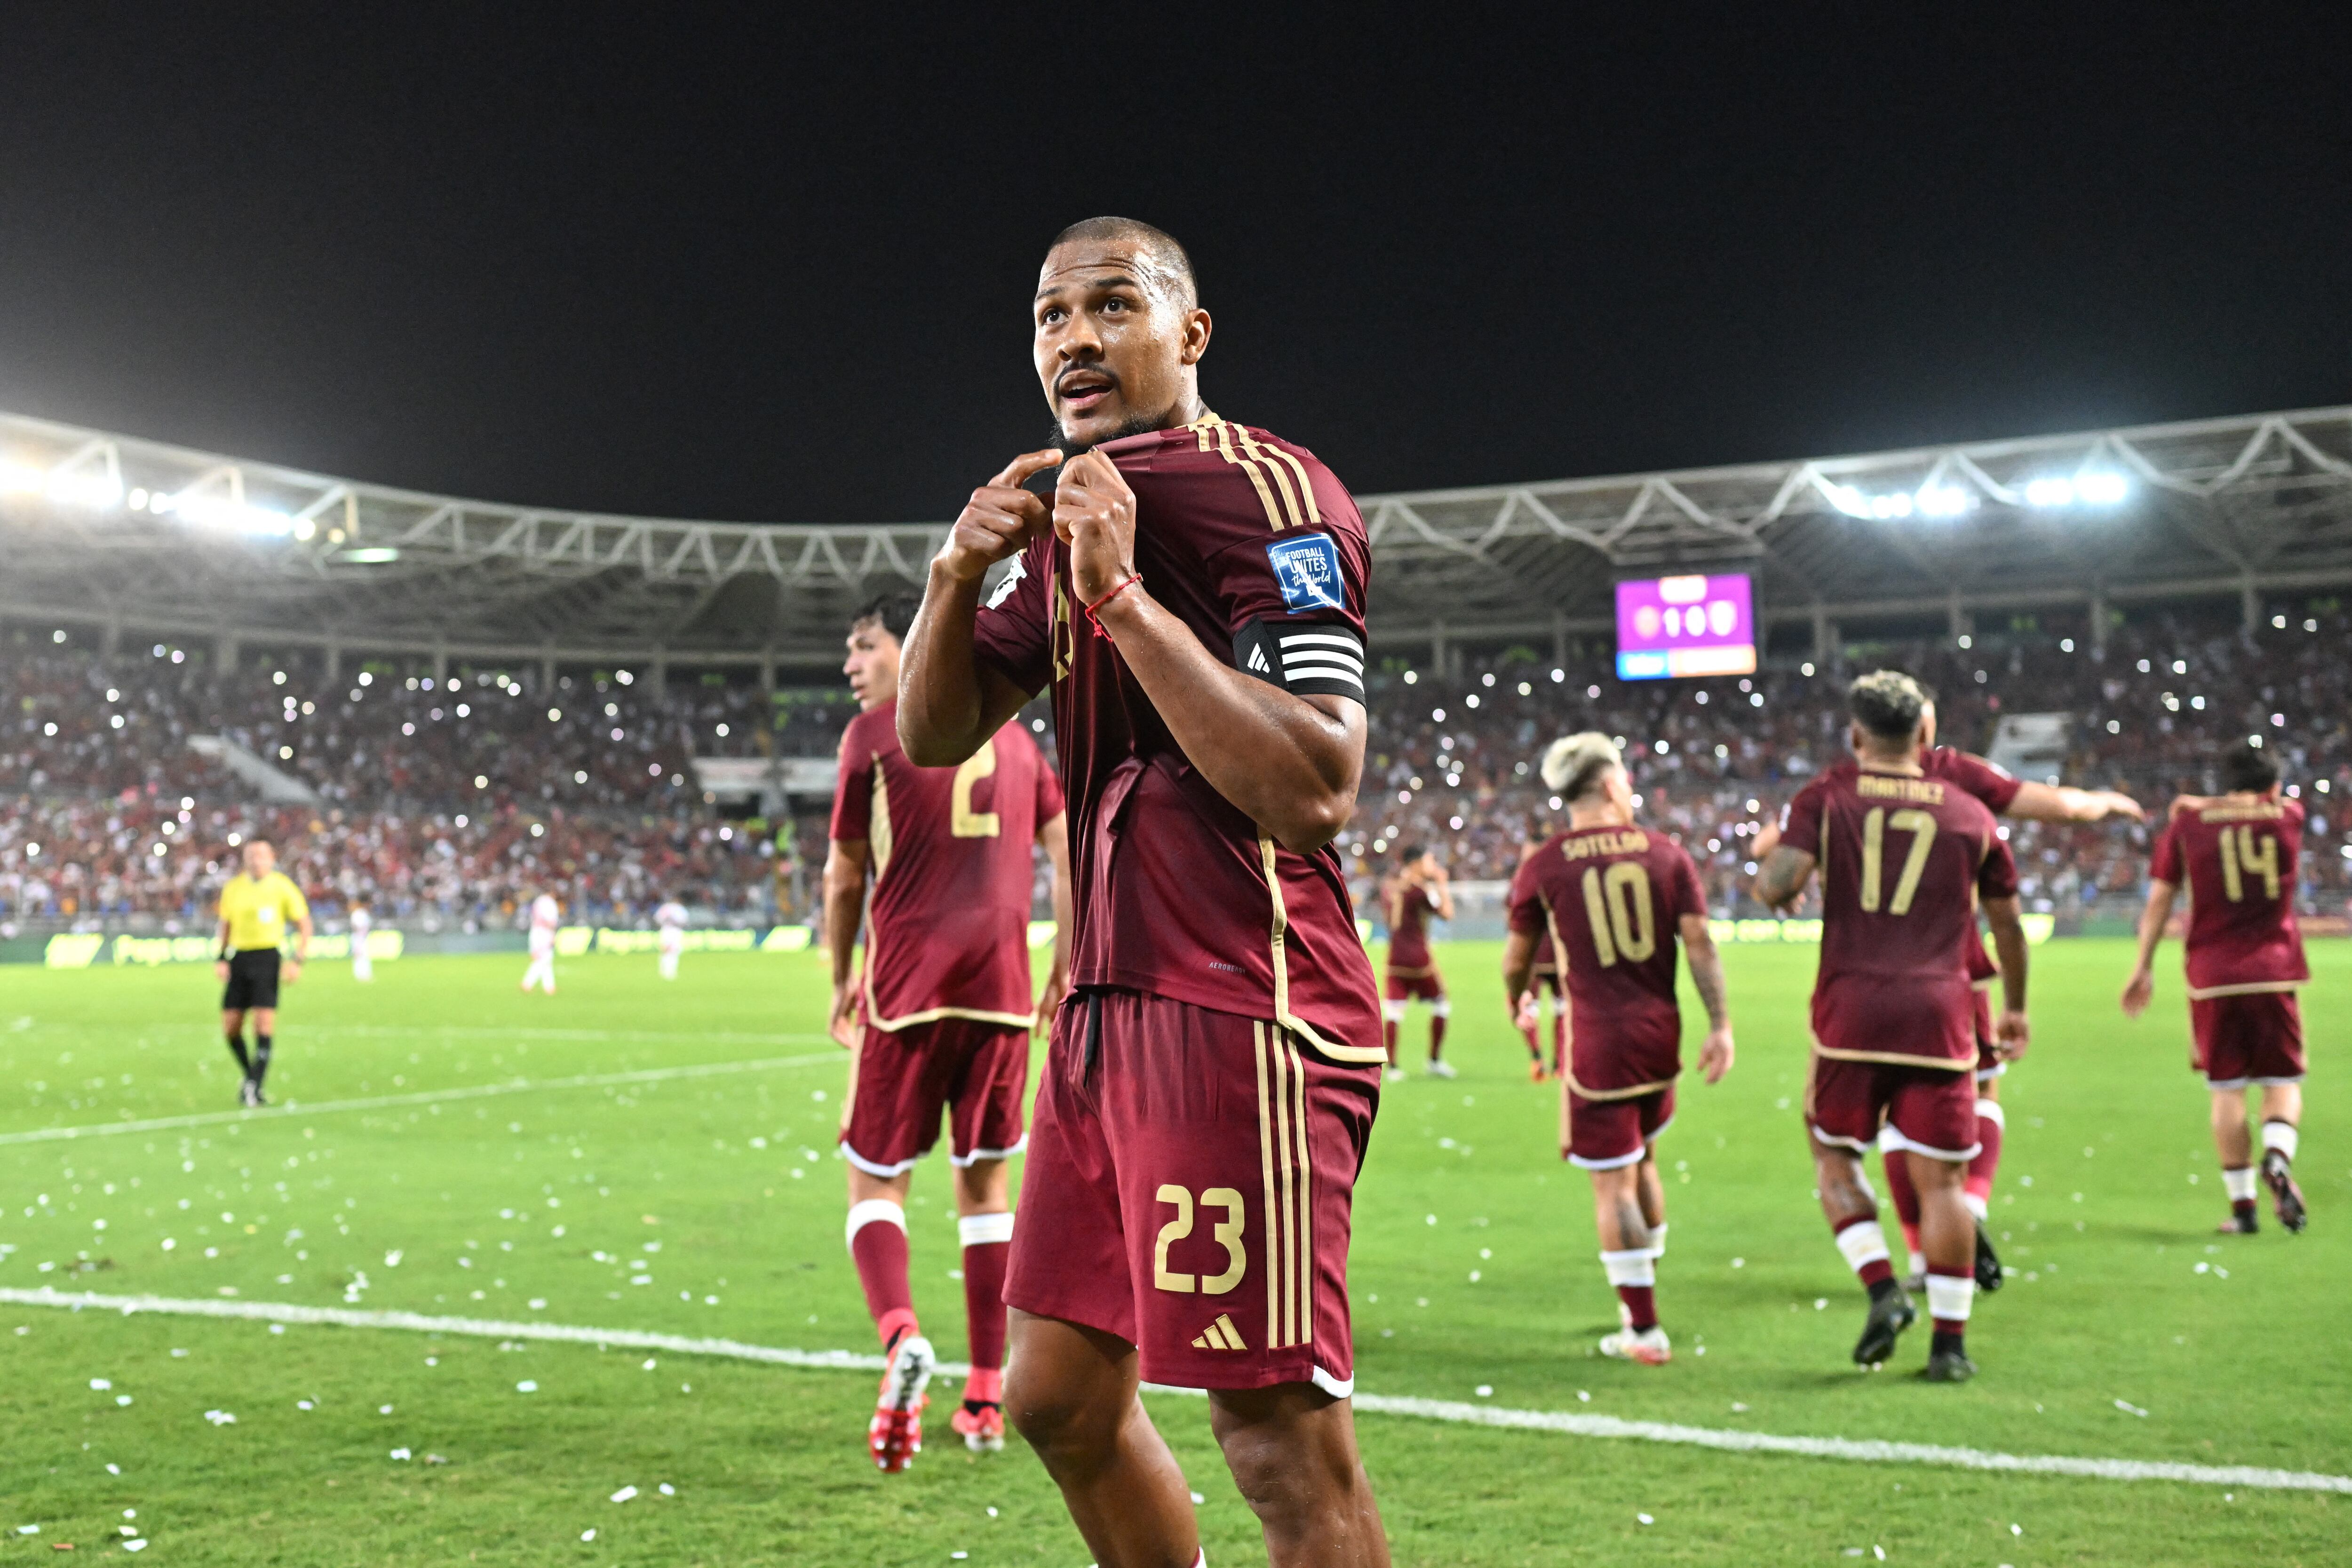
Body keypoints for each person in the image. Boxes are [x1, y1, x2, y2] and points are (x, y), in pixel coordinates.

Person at [897, 216, 1391, 1567]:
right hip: (1100, 1013)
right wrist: (953, 577)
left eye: (1113, 306)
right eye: (1050, 317)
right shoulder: (1075, 505)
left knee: (1278, 1440)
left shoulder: (1270, 491)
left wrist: (1116, 593)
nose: (1074, 340)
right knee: (1058, 1398)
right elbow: (937, 731)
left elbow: (1318, 781)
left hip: (1245, 1003)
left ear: (1193, 332)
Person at [1755, 695, 2140, 1293]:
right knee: (1971, 1098)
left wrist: (1796, 859)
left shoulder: (1842, 786)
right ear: (1923, 728)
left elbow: (1770, 854)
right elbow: (2057, 807)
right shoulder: (1955, 773)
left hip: (1860, 983)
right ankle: (1969, 1209)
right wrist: (2104, 803)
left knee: (1887, 1119)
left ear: (1861, 734)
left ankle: (1916, 1258)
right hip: (1950, 975)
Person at [824, 593, 1072, 1470]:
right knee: (985, 1191)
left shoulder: (875, 735)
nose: (852, 665)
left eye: (866, 646)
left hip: (906, 987)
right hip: (1002, 992)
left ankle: (901, 1337)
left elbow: (844, 873)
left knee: (874, 1179)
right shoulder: (1018, 741)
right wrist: (1065, 955)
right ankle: (985, 1396)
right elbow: (1066, 846)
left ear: (917, 643)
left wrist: (841, 976)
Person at [1754, 671, 2029, 1383]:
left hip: (1851, 1011)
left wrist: (1776, 868)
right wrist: (2016, 1007)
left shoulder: (1826, 796)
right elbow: (2007, 927)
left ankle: (1882, 1288)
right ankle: (1950, 1349)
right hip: (1941, 1012)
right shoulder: (1970, 813)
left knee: (1835, 1154)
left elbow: (1778, 885)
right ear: (1924, 733)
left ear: (1856, 735)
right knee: (1945, 1184)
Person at [1503, 734, 1733, 1365]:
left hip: (1598, 1045)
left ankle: (1643, 1327)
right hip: (1661, 1035)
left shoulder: (1545, 865)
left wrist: (1515, 1000)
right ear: (1609, 785)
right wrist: (1721, 1025)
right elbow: (1701, 946)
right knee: (1645, 1162)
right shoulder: (1665, 853)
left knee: (1613, 1186)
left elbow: (1516, 961)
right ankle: (1640, 1295)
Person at [2121, 741, 2309, 1233]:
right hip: (2274, 969)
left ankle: (2243, 1211)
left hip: (2212, 976)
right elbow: (2269, 803)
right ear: (2273, 786)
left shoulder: (2187, 827)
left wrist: (2142, 966)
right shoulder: (2288, 816)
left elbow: (2159, 901)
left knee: (2226, 1091)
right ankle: (2278, 1155)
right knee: (2281, 1081)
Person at [212, 839, 312, 1108]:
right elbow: (226, 925)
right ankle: (250, 1077)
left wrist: (298, 960)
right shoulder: (233, 888)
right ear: (245, 859)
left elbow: (304, 924)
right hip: (239, 958)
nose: (256, 860)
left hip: (268, 957)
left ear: (271, 858)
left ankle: (253, 1086)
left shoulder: (282, 886)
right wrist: (221, 957)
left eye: (261, 855)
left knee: (263, 1024)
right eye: (251, 855)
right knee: (231, 1027)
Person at [1380, 845, 1455, 1079]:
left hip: (1394, 958)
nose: (1432, 866)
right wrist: (1442, 883)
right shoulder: (1420, 890)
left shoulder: (1392, 886)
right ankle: (1434, 1061)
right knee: (1442, 1003)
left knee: (1394, 1011)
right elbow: (1447, 914)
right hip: (1419, 960)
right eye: (1429, 861)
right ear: (1416, 863)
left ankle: (1393, 1068)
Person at [1512, 833, 1564, 1082]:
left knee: (1528, 1007)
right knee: (1562, 1009)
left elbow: (1513, 920)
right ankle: (1558, 1064)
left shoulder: (1522, 881)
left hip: (1532, 956)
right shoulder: (1559, 878)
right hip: (1558, 953)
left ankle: (1539, 1060)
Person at [521, 890, 560, 994]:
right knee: (544, 958)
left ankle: (549, 987)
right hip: (545, 932)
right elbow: (550, 921)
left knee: (545, 959)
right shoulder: (550, 903)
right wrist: (553, 934)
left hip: (536, 931)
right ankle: (527, 983)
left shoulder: (538, 901)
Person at [655, 893, 688, 980]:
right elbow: (684, 921)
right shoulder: (680, 909)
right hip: (675, 931)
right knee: (674, 951)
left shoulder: (665, 907)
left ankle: (663, 971)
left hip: (666, 930)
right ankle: (670, 972)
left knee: (666, 951)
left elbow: (657, 918)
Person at [348, 899, 374, 983]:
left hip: (363, 937)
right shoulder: (357, 914)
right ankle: (360, 975)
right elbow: (355, 926)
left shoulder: (362, 913)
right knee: (358, 955)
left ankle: (365, 974)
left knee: (364, 955)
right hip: (359, 938)